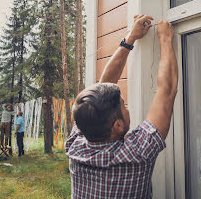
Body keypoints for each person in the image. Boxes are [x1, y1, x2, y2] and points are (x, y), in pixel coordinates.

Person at [66, 14, 178, 199]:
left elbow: (103, 86)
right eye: (124, 106)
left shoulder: (75, 146)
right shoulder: (137, 153)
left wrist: (130, 39)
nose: (127, 107)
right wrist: (166, 39)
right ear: (117, 126)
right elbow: (167, 90)